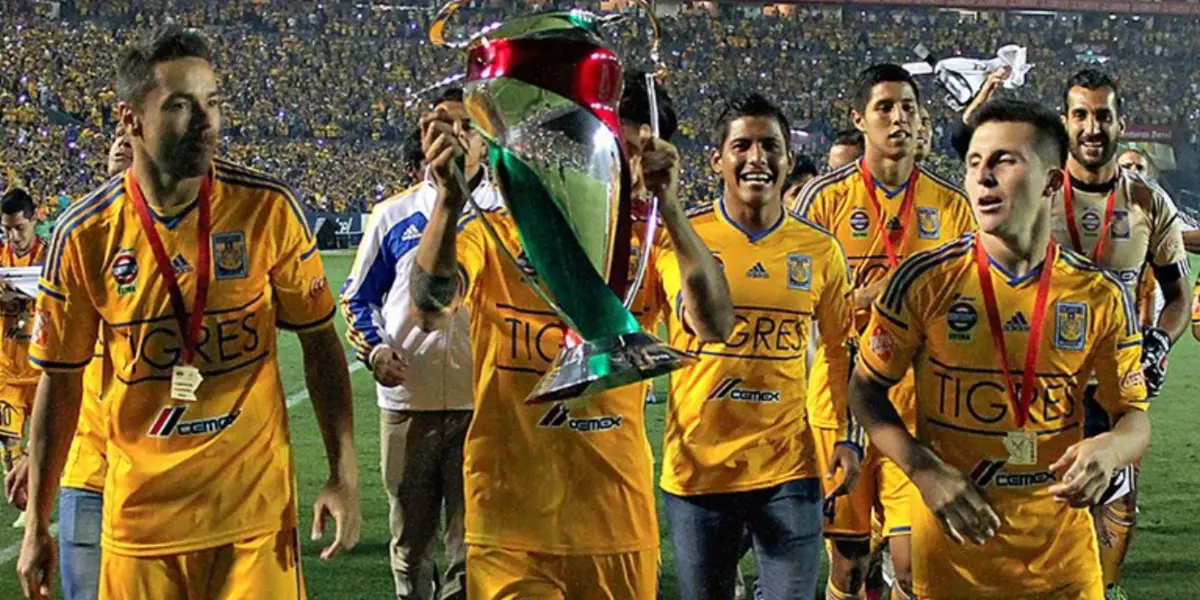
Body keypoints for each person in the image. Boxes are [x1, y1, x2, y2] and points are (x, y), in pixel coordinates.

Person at [17, 26, 360, 600]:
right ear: (130, 119)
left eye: (212, 102)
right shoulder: (85, 235)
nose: (206, 120)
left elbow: (321, 342)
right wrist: (36, 526)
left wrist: (343, 474)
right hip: (140, 525)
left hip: (253, 521)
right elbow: (62, 381)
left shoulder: (266, 209)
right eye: (180, 105)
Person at [409, 71, 733, 599]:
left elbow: (714, 323)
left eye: (632, 156)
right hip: (510, 525)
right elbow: (428, 308)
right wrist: (448, 200)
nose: (616, 171)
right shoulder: (498, 235)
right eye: (602, 149)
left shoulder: (650, 251)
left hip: (616, 525)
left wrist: (670, 206)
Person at [850, 97, 1151, 600]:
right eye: (974, 163)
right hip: (953, 559)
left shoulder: (1098, 294)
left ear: (1053, 183)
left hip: (1062, 563)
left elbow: (1133, 415)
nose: (983, 177)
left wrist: (1113, 448)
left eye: (1003, 161)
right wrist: (923, 470)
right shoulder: (924, 281)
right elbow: (864, 392)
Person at [658, 93, 856, 600]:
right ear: (717, 159)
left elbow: (838, 349)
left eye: (771, 145)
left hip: (789, 469)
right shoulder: (680, 237)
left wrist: (845, 437)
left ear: (789, 159)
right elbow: (668, 318)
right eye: (741, 145)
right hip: (699, 470)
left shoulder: (820, 250)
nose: (757, 158)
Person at [790, 64, 976, 600]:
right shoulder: (823, 201)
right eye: (885, 107)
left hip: (915, 409)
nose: (899, 118)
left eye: (909, 108)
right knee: (848, 563)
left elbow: (966, 309)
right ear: (860, 120)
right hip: (839, 400)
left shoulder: (951, 208)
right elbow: (799, 303)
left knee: (912, 563)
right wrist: (874, 297)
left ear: (922, 123)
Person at [340, 88, 497, 600]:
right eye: (439, 125)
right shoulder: (393, 216)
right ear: (424, 140)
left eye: (465, 126)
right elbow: (357, 298)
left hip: (488, 405)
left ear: (484, 141)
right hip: (410, 404)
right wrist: (376, 350)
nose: (453, 135)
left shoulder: (509, 214)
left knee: (472, 543)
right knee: (410, 539)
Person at [1053, 70, 1190, 600]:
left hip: (1115, 381)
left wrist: (1158, 341)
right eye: (1081, 114)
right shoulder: (1035, 193)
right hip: (1042, 379)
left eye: (1103, 115)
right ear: (1065, 122)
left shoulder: (1149, 202)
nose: (1093, 127)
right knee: (1037, 501)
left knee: (1118, 502)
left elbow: (1177, 297)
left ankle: (1103, 590)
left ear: (1121, 124)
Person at [5, 129, 131, 600]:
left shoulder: (185, 248)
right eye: (117, 137)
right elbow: (57, 374)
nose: (123, 144)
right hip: (87, 467)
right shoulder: (77, 239)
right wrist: (38, 464)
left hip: (155, 468)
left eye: (135, 137)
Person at [0, 188, 48, 487]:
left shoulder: (51, 256)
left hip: (42, 368)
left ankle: (40, 496)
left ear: (34, 220)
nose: (14, 237)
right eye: (7, 230)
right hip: (6, 368)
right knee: (8, 438)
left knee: (44, 443)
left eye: (19, 228)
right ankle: (21, 500)